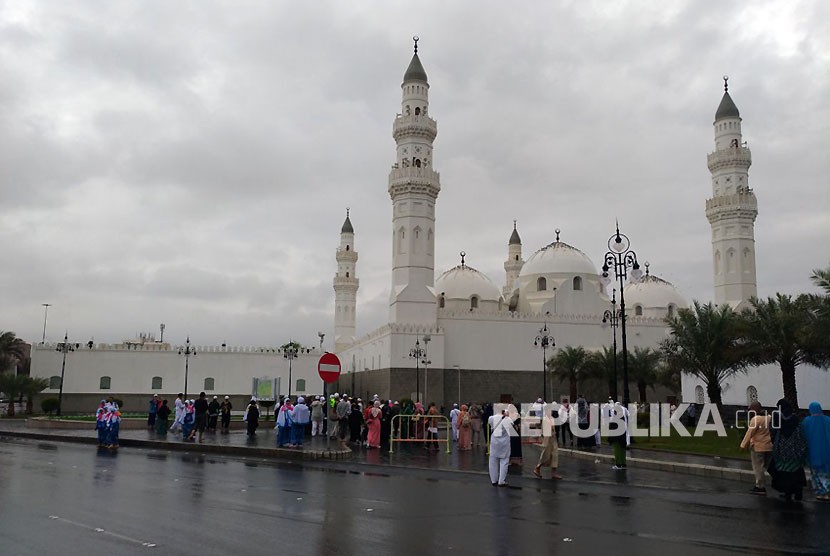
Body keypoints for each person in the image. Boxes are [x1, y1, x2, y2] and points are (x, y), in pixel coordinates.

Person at [768, 398, 807, 502]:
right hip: (795, 449)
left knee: (785, 472)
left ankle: (787, 493)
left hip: (782, 449)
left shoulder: (777, 417)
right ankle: (798, 493)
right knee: (796, 470)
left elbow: (773, 430)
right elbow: (800, 433)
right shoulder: (795, 418)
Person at [739, 401, 772, 494]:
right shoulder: (769, 417)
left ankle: (760, 486)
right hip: (769, 446)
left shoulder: (756, 419)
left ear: (754, 409)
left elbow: (749, 433)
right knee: (767, 466)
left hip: (758, 447)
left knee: (758, 467)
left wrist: (743, 445)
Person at [801, 401, 830, 501]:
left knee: (816, 473)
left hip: (813, 452)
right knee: (826, 472)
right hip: (827, 451)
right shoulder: (827, 420)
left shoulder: (807, 421)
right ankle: (827, 490)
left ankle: (821, 492)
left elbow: (803, 436)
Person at [534, 410, 562, 479]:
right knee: (546, 455)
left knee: (555, 455)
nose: (550, 412)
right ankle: (537, 467)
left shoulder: (552, 418)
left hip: (553, 439)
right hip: (548, 439)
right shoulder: (545, 419)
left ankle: (554, 473)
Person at [488, 408, 513, 486]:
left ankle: (493, 480)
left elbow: (490, 424)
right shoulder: (508, 419)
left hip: (494, 441)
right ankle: (501, 481)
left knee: (493, 461)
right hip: (504, 442)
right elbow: (511, 426)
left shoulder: (491, 418)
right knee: (504, 461)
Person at [609, 401, 630, 470]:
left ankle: (618, 464)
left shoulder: (615, 416)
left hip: (616, 435)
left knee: (617, 450)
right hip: (623, 434)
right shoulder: (623, 414)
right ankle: (623, 464)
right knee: (622, 449)